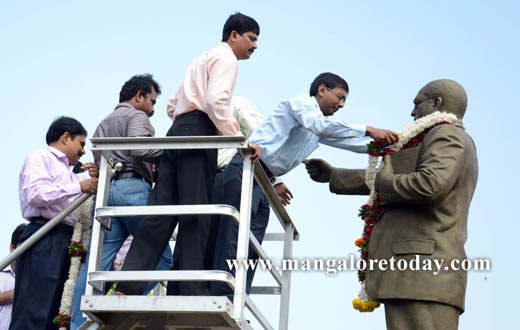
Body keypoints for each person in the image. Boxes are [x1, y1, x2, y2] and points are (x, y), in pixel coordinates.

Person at [305, 79, 477, 330]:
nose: (412, 112)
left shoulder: (446, 134)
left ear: (437, 103)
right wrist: (335, 176)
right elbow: (397, 177)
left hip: (424, 269)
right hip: (414, 274)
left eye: (417, 103)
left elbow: (428, 185)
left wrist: (384, 180)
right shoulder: (437, 138)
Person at [210, 72, 399, 299]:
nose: (340, 104)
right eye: (339, 97)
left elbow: (350, 142)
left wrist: (390, 145)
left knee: (252, 248)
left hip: (265, 183)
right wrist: (369, 129)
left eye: (344, 101)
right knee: (235, 235)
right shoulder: (301, 105)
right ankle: (221, 295)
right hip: (246, 169)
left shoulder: (318, 127)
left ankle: (237, 300)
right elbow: (321, 126)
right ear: (321, 90)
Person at [117, 12, 261, 296]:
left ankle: (127, 286)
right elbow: (214, 101)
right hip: (199, 133)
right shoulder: (227, 58)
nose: (255, 46)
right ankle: (189, 288)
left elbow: (172, 106)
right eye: (252, 39)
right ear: (234, 35)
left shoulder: (201, 58)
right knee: (197, 211)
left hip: (179, 132)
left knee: (160, 212)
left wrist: (189, 122)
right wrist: (236, 136)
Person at [70, 74, 173, 329]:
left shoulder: (103, 123)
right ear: (138, 96)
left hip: (106, 194)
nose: (152, 109)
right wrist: (174, 151)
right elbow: (140, 149)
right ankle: (123, 298)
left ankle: (77, 323)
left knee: (95, 267)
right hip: (133, 189)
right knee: (162, 256)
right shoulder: (136, 116)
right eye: (152, 101)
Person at [10, 116, 98, 330]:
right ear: (66, 137)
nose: (84, 151)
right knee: (35, 308)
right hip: (45, 236)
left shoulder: (73, 171)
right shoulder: (41, 157)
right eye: (82, 144)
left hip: (69, 241)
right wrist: (80, 186)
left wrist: (95, 177)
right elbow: (35, 194)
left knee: (58, 311)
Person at [0, 224, 26, 330]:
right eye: (24, 248)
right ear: (12, 248)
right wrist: (9, 295)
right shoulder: (1, 275)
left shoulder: (37, 280)